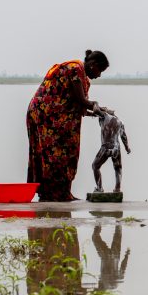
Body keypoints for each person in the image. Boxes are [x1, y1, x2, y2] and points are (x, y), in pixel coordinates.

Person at [26, 50, 109, 201]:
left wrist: (102, 112)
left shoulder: (84, 79)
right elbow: (81, 100)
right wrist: (95, 104)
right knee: (51, 154)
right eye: (100, 70)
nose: (99, 75)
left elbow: (80, 107)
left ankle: (62, 193)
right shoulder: (75, 69)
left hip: (60, 118)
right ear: (93, 65)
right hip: (45, 115)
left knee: (69, 152)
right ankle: (50, 194)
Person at [92, 111, 131, 193]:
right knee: (118, 168)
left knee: (95, 166)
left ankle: (99, 188)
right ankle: (117, 188)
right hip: (116, 148)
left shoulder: (104, 115)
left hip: (106, 147)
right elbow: (124, 136)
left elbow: (95, 110)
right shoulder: (120, 121)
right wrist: (127, 147)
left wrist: (98, 105)